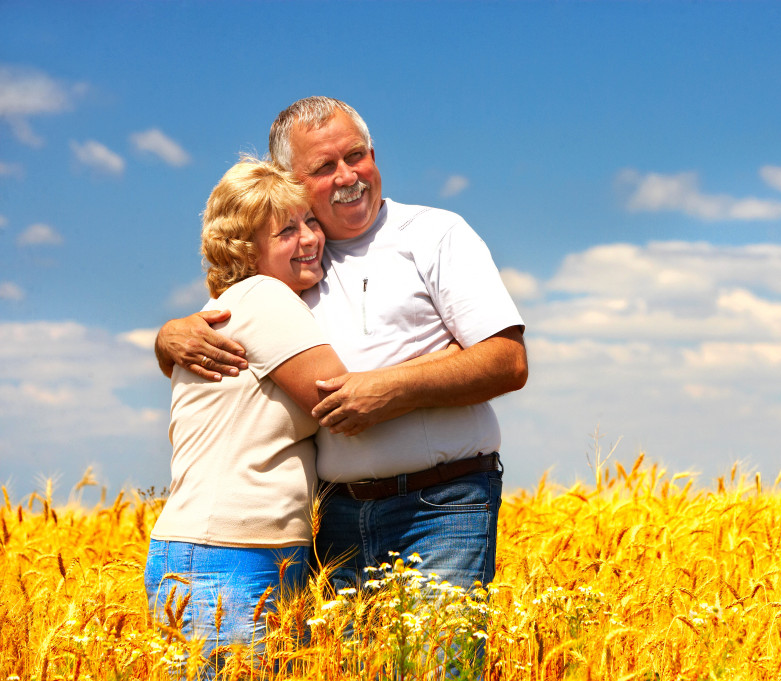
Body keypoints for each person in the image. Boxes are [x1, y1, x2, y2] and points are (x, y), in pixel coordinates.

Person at [155, 97, 528, 597]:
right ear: (289, 179)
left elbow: (507, 360)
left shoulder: (434, 233)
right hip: (335, 522)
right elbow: (217, 334)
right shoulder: (287, 263)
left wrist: (389, 388)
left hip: (441, 508)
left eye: (356, 156)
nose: (348, 175)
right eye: (324, 167)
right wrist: (167, 337)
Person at [144, 157, 344, 676]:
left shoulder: (237, 305)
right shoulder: (263, 296)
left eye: (311, 222)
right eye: (286, 231)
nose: (310, 239)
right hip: (228, 555)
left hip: (231, 553)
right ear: (245, 250)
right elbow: (342, 399)